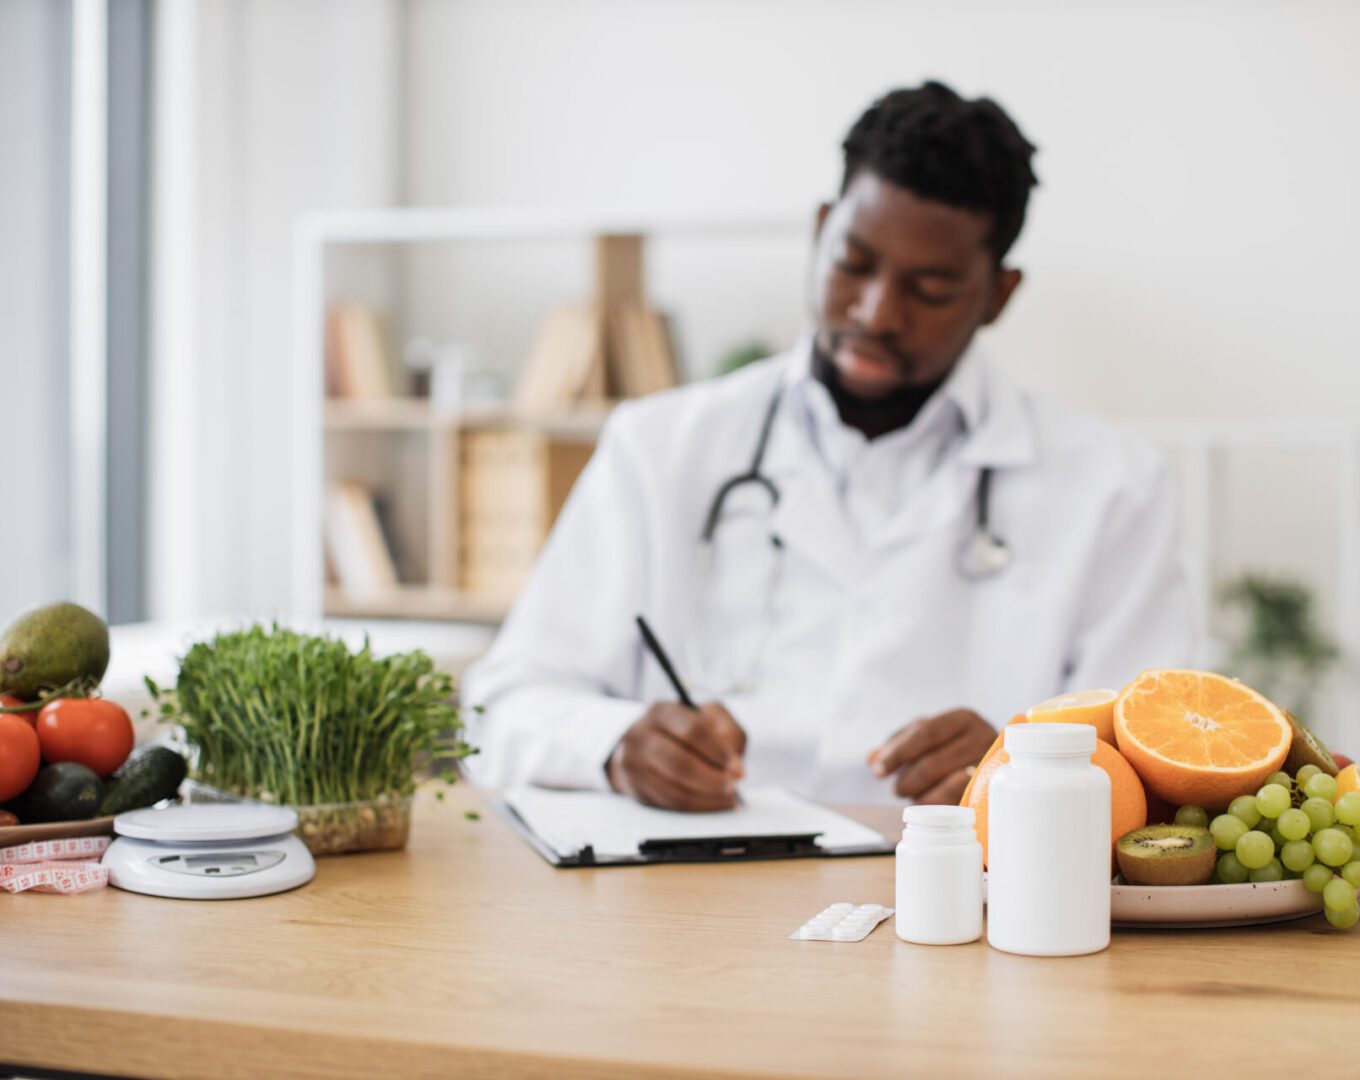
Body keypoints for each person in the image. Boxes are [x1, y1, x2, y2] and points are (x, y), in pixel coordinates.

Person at [463, 81, 1192, 810]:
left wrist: (1023, 765)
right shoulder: (661, 448)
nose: (876, 313)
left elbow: (1164, 760)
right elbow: (498, 708)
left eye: (931, 289)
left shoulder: (1110, 488)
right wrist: (617, 745)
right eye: (853, 263)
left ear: (998, 295)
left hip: (952, 898)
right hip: (683, 894)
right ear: (819, 231)